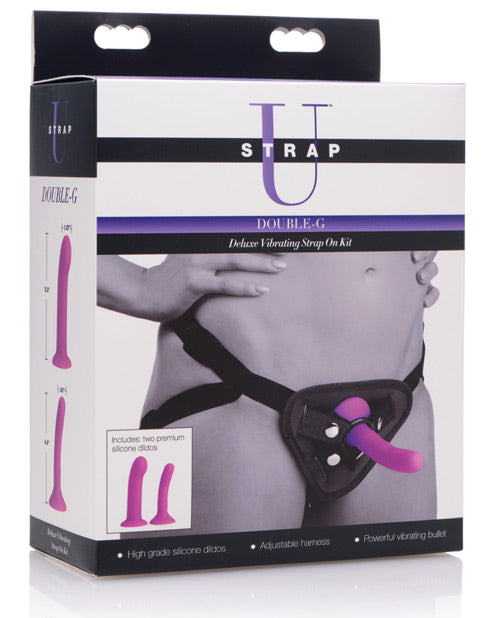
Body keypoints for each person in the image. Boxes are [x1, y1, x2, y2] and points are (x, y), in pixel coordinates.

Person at [98, 250, 439, 533]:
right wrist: (140, 287)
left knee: (401, 590)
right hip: (235, 391)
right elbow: (65, 213)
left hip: (398, 396)